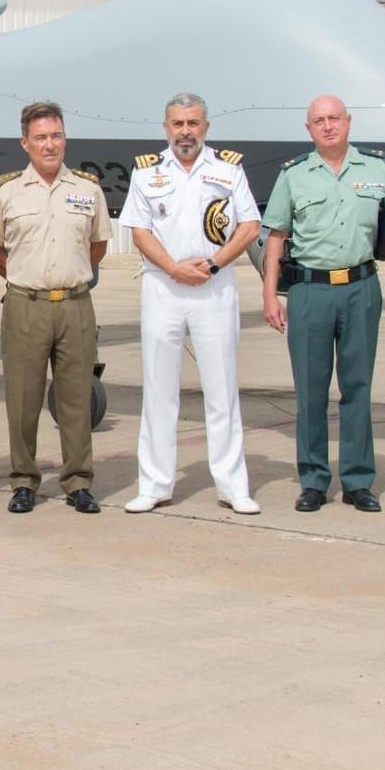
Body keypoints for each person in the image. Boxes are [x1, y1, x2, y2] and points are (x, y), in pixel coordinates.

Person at [261, 95, 385, 513]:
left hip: (360, 288)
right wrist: (270, 296)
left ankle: (358, 480)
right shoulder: (294, 175)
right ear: (308, 128)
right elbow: (275, 236)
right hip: (309, 291)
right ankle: (313, 480)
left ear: (348, 122)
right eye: (318, 121)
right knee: (310, 391)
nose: (328, 126)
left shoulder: (377, 167)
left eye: (334, 119)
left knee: (358, 388)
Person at [119, 93, 262, 515]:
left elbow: (249, 225)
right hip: (164, 287)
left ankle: (233, 486)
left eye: (193, 123)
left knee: (221, 390)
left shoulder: (227, 168)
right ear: (166, 128)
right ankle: (155, 484)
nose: (186, 131)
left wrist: (214, 265)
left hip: (214, 289)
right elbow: (139, 231)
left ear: (206, 127)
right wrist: (174, 268)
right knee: (159, 391)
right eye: (178, 123)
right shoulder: (146, 172)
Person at [0, 101, 112, 516]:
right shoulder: (5, 191)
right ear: (25, 143)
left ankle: (78, 482)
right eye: (40, 137)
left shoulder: (87, 189)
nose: (49, 144)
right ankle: (24, 481)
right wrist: (24, 275)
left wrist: (69, 275)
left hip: (75, 304)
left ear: (64, 138)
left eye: (56, 135)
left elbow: (98, 245)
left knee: (75, 399)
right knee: (22, 400)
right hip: (26, 305)